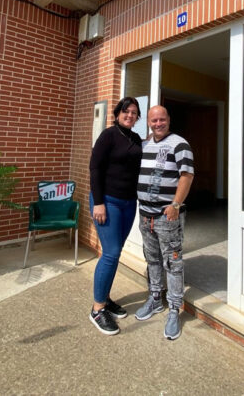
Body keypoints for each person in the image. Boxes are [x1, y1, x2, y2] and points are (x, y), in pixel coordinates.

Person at [135, 105, 194, 340]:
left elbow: (187, 175)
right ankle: (156, 298)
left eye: (162, 119)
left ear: (168, 119)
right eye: (153, 120)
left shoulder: (180, 144)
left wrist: (176, 205)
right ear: (148, 122)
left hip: (167, 216)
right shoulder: (143, 145)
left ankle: (174, 309)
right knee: (152, 259)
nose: (158, 123)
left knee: (173, 263)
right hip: (145, 215)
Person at [88, 97, 143, 335]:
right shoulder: (108, 135)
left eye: (134, 113)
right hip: (107, 202)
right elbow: (95, 168)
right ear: (118, 113)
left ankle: (106, 298)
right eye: (126, 111)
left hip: (129, 203)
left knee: (115, 252)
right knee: (110, 253)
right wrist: (98, 202)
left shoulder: (136, 138)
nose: (130, 115)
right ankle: (97, 309)